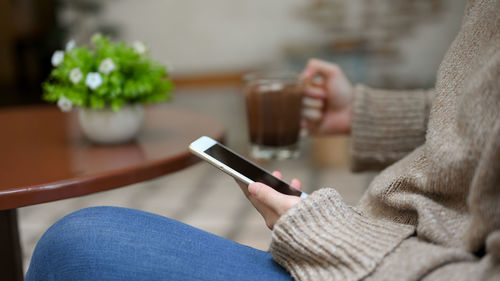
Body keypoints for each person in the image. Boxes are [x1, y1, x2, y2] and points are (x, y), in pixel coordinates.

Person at [26, 0, 499, 280]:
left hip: (388, 262)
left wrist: (331, 235)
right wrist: (366, 113)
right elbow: (481, 117)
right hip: (397, 241)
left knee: (75, 245)